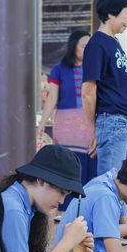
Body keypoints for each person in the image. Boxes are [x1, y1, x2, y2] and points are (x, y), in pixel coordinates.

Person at [82, 0, 127, 175]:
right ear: (111, 13)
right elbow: (88, 91)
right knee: (111, 182)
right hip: (113, 120)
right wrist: (93, 129)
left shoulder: (113, 42)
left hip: (126, 120)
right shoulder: (97, 44)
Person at [37, 31, 97, 186]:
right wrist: (42, 124)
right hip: (66, 126)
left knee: (90, 162)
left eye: (90, 46)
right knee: (68, 165)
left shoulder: (95, 68)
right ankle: (65, 206)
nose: (87, 49)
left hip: (89, 123)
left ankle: (85, 204)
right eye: (84, 46)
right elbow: (52, 98)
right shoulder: (59, 69)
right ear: (73, 46)